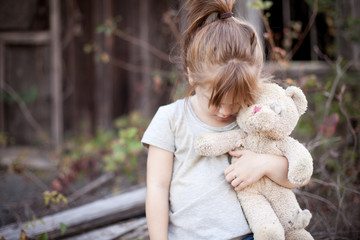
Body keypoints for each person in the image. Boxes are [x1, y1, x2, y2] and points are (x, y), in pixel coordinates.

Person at [141, 0, 311, 239]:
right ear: (191, 75)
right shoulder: (170, 119)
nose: (224, 111)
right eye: (215, 100)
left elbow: (295, 177)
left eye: (236, 101)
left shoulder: (254, 116)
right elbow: (157, 188)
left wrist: (263, 163)